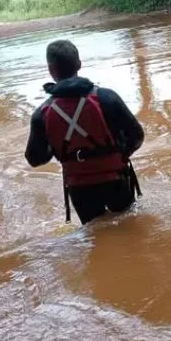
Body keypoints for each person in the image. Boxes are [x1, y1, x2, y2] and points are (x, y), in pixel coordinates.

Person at [25, 39, 144, 225]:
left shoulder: (42, 114)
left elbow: (34, 158)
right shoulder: (107, 97)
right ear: (79, 64)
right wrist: (119, 155)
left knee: (96, 235)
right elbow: (137, 136)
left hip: (80, 188)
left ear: (50, 69)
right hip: (116, 180)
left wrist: (56, 149)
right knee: (130, 228)